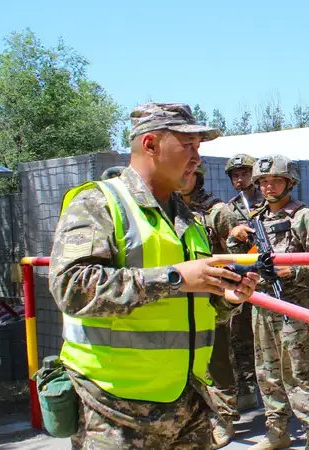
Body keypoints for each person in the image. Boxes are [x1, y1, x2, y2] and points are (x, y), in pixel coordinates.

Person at [48, 102, 259, 449]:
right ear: (150, 145)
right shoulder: (98, 203)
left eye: (198, 148)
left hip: (188, 403)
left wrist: (226, 300)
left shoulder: (187, 219)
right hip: (115, 410)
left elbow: (190, 308)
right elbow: (72, 288)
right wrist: (174, 277)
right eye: (187, 146)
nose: (197, 158)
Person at [231, 154, 309, 450]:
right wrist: (234, 236)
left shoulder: (303, 216)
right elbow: (238, 255)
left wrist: (294, 271)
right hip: (262, 305)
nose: (268, 187)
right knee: (267, 370)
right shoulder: (257, 219)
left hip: (294, 306)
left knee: (299, 370)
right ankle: (277, 430)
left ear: (289, 182)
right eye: (263, 182)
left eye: (275, 181)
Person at [180, 161, 244, 448]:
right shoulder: (167, 207)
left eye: (189, 174)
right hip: (181, 296)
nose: (183, 179)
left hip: (214, 296)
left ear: (198, 177)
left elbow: (238, 254)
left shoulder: (217, 211)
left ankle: (226, 416)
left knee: (218, 358)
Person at [224, 153, 261, 414]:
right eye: (235, 175)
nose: (240, 179)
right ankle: (247, 390)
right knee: (239, 337)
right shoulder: (229, 208)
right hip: (239, 277)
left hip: (264, 278)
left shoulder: (266, 200)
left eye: (244, 173)